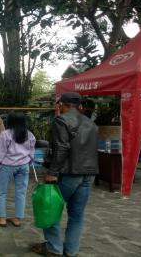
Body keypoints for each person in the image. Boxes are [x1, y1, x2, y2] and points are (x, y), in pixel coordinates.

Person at [31, 92, 98, 257]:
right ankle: (71, 250)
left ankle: (54, 247)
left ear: (62, 104)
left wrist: (52, 172)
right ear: (79, 105)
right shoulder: (91, 123)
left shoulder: (61, 120)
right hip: (89, 173)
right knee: (77, 214)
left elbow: (62, 147)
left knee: (50, 207)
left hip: (69, 172)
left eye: (59, 104)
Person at [0, 112, 36, 227]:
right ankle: (17, 218)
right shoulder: (29, 134)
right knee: (21, 192)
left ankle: (1, 218)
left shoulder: (5, 134)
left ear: (10, 121)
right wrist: (28, 162)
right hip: (24, 166)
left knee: (1, 192)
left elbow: (0, 153)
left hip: (7, 166)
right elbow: (31, 152)